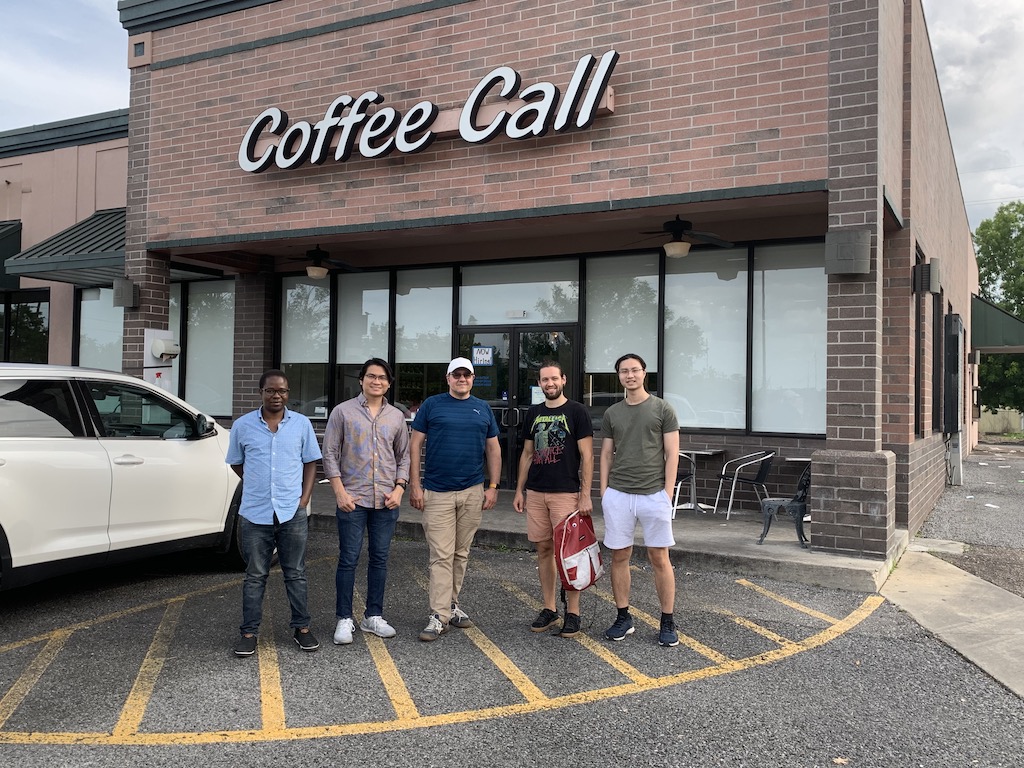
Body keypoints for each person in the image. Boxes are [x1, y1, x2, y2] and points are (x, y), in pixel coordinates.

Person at [226, 369, 323, 656]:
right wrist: (258, 485)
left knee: (296, 573)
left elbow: (311, 464)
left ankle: (302, 628)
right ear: (261, 392)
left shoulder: (301, 424)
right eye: (271, 390)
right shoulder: (242, 426)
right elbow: (236, 463)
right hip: (255, 514)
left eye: (282, 391)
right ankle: (248, 632)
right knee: (255, 575)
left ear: (288, 394)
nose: (277, 395)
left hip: (291, 512)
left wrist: (304, 498)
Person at [408, 357, 502, 641]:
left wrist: (493, 486)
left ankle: (451, 605)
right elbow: (415, 445)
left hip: (472, 491)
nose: (462, 379)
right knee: (441, 555)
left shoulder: (483, 408)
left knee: (461, 553)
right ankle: (438, 615)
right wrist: (415, 484)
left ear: (473, 378)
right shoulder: (432, 405)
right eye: (456, 374)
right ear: (448, 378)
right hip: (437, 492)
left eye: (467, 374)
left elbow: (494, 450)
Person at [322, 358, 411, 645]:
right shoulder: (342, 412)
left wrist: (400, 489)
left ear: (388, 383)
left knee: (380, 559)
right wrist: (339, 492)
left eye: (382, 377)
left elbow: (404, 457)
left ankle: (373, 615)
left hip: (386, 500)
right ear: (361, 380)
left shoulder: (396, 417)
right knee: (348, 560)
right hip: (353, 499)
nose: (377, 381)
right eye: (371, 376)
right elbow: (330, 454)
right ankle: (344, 618)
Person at [599, 353, 680, 647]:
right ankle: (623, 617)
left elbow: (672, 453)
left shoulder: (662, 409)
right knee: (619, 557)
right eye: (624, 371)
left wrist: (667, 493)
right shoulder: (612, 413)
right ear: (619, 376)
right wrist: (604, 491)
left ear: (645, 373)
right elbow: (606, 454)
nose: (630, 375)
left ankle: (667, 621)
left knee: (659, 557)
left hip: (653, 494)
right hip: (619, 494)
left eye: (635, 370)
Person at [512, 362, 594, 637]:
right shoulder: (533, 413)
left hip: (565, 493)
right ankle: (549, 608)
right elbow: (526, 453)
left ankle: (573, 612)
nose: (549, 383)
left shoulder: (577, 411)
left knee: (568, 553)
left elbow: (588, 456)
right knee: (544, 550)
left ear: (563, 380)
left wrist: (585, 494)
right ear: (540, 383)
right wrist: (519, 490)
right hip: (536, 492)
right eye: (544, 379)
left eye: (554, 378)